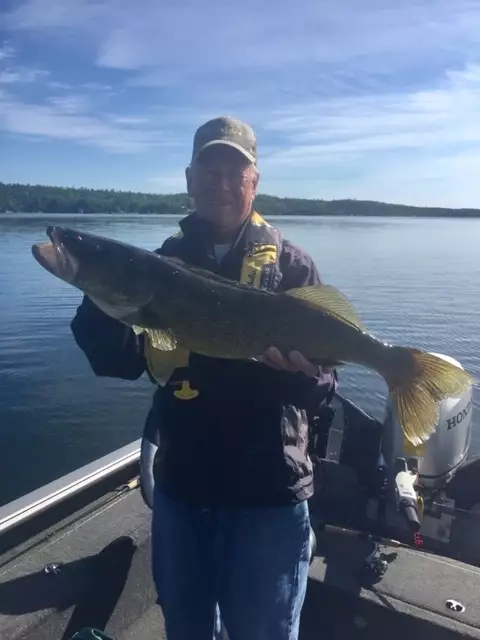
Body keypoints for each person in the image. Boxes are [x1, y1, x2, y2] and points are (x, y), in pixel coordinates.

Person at [70, 116, 338, 640]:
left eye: (233, 173)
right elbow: (119, 361)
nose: (220, 183)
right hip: (184, 488)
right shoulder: (155, 267)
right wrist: (97, 296)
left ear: (254, 182)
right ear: (189, 179)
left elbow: (324, 388)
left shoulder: (292, 269)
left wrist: (294, 376)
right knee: (188, 629)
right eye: (208, 171)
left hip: (268, 495)